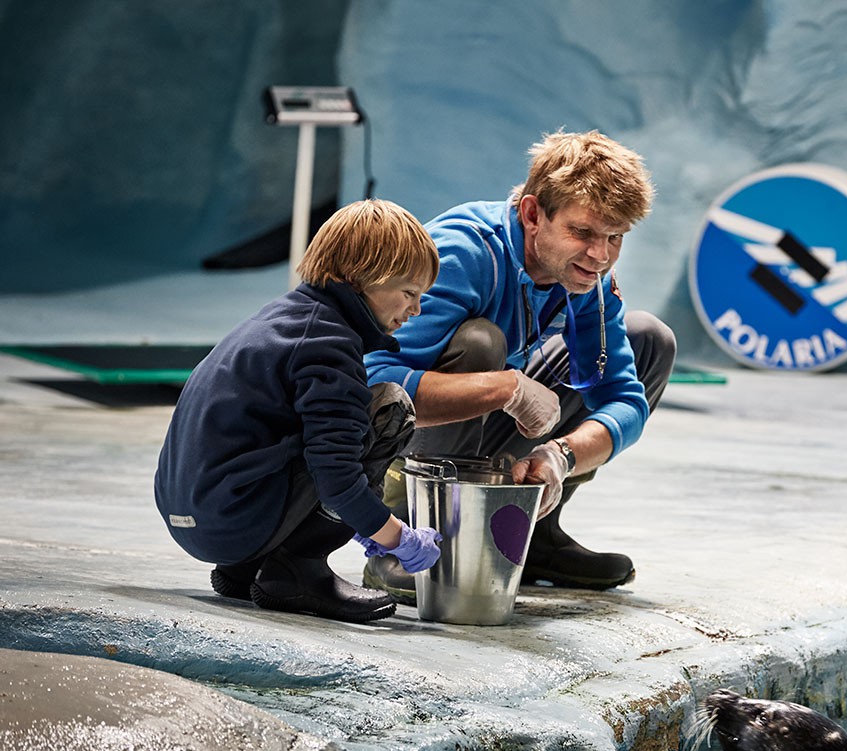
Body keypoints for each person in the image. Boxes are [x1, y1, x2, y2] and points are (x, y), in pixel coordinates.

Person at [363, 129, 676, 601]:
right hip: (397, 457)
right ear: (533, 214)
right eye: (583, 232)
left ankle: (534, 529)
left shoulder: (587, 278)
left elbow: (624, 400)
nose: (601, 256)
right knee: (479, 343)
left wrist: (561, 456)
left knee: (648, 338)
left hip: (481, 438)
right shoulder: (462, 254)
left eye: (615, 237)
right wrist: (503, 388)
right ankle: (406, 539)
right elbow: (372, 382)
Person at [154, 199, 444, 623]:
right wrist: (397, 536)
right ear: (363, 278)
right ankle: (296, 571)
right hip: (234, 524)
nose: (415, 310)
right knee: (389, 408)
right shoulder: (328, 344)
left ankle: (245, 569)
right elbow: (338, 479)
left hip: (196, 521)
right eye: (409, 293)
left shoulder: (282, 319)